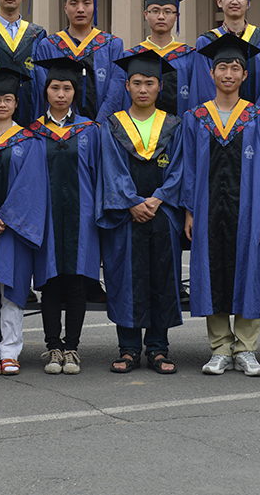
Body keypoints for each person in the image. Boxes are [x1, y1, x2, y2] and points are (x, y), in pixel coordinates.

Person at [181, 32, 260, 378]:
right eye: (222, 67)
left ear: (245, 75)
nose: (228, 74)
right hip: (207, 207)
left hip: (250, 208)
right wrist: (189, 209)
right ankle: (219, 348)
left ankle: (246, 349)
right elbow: (188, 167)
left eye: (235, 68)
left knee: (249, 272)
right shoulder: (196, 117)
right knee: (211, 271)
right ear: (211, 73)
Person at [98, 50, 186, 375]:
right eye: (137, 83)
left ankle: (158, 348)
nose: (143, 89)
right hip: (126, 215)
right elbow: (111, 168)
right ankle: (129, 348)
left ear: (160, 86)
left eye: (150, 83)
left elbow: (180, 169)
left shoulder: (173, 125)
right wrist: (132, 201)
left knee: (162, 277)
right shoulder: (113, 125)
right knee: (125, 278)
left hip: (162, 214)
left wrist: (159, 198)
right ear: (127, 86)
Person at [0, 68, 49, 376]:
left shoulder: (30, 141)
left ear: (16, 103)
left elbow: (32, 185)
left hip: (14, 229)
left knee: (13, 291)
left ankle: (11, 351)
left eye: (8, 99)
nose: (2, 104)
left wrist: (7, 218)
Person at [30, 57, 103, 374]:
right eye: (55, 88)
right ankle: (52, 348)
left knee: (75, 283)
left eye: (67, 88)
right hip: (45, 217)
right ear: (46, 91)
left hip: (80, 216)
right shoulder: (33, 131)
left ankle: (72, 348)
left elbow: (99, 175)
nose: (61, 94)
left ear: (76, 92)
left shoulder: (89, 130)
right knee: (49, 283)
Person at [32, 0, 125, 123]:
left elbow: (116, 90)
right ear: (65, 7)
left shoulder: (112, 45)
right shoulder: (48, 46)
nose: (80, 9)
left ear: (95, 6)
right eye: (74, 3)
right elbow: (44, 88)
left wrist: (100, 124)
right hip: (60, 128)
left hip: (102, 128)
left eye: (86, 3)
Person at [103, 0, 198, 119]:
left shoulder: (189, 56)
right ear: (146, 15)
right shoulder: (130, 56)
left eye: (167, 11)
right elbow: (118, 96)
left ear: (176, 16)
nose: (161, 16)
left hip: (180, 130)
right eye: (155, 11)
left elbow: (195, 98)